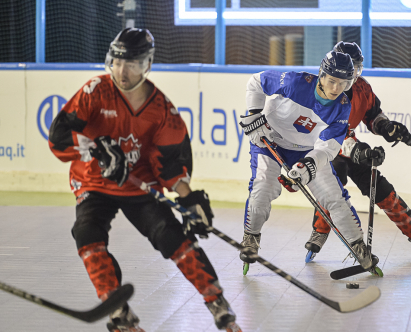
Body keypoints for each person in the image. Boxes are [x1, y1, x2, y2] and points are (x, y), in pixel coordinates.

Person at [48, 28, 242, 332]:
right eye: (117, 62)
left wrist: (188, 198)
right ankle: (117, 309)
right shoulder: (94, 91)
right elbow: (60, 136)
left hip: (138, 184)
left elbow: (171, 165)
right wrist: (96, 148)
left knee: (172, 237)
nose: (123, 71)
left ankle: (217, 303)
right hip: (94, 183)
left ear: (148, 64)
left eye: (133, 64)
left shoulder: (162, 109)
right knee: (86, 232)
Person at [238, 50, 385, 272]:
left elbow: (328, 147)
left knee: (334, 198)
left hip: (307, 151)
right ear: (321, 75)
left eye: (343, 83)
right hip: (269, 141)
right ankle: (251, 237)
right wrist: (254, 114)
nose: (336, 89)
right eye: (332, 81)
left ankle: (358, 247)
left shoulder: (343, 106)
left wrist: (307, 167)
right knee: (263, 190)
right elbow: (255, 82)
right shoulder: (294, 82)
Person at [304, 41, 411, 260]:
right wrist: (358, 150)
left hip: (349, 147)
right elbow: (330, 133)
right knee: (333, 184)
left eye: (357, 68)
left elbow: (373, 114)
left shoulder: (362, 87)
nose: (353, 75)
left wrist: (388, 127)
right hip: (323, 150)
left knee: (380, 186)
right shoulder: (326, 91)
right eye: (351, 68)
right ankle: (320, 231)